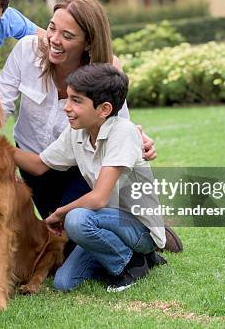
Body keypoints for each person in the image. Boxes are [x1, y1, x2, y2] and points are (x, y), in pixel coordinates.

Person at [0, 0, 185, 255]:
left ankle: (146, 238)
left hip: (80, 167)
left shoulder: (104, 70)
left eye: (68, 36)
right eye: (52, 28)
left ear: (88, 42)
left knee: (74, 233)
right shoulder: (27, 51)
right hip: (34, 161)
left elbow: (117, 122)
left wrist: (139, 140)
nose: (54, 40)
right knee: (57, 240)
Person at [13, 64, 167, 292]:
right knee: (64, 283)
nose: (66, 107)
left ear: (104, 109)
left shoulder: (123, 132)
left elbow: (98, 199)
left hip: (138, 227)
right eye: (68, 98)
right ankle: (137, 257)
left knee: (76, 219)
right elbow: (38, 165)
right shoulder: (77, 131)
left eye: (76, 101)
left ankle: (132, 265)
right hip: (104, 224)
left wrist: (59, 213)